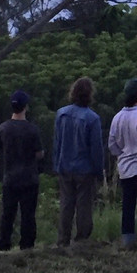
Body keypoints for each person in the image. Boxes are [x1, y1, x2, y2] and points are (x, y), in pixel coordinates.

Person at [52, 76, 104, 246]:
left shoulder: (61, 114)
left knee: (66, 204)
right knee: (84, 205)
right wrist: (99, 171)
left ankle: (63, 239)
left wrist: (56, 164)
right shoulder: (92, 118)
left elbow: (57, 142)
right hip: (84, 169)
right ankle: (81, 239)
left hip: (64, 166)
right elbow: (96, 149)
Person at [0, 89, 44, 251]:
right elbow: (39, 153)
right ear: (25, 107)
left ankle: (4, 244)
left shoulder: (3, 128)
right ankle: (27, 245)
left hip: (10, 177)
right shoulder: (32, 129)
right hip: (29, 177)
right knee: (28, 215)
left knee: (8, 213)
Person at [107, 77, 137, 249]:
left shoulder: (117, 117)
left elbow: (112, 144)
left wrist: (123, 155)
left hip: (125, 167)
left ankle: (128, 241)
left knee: (128, 205)